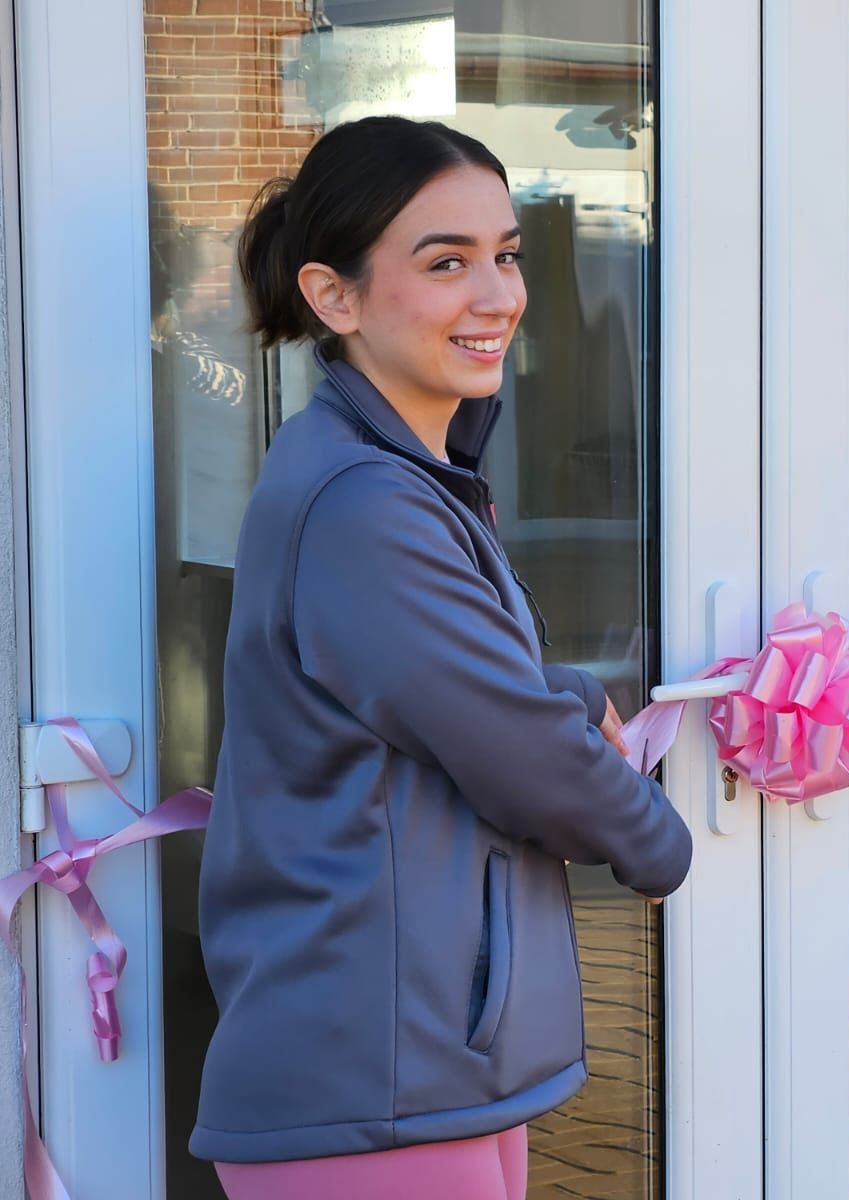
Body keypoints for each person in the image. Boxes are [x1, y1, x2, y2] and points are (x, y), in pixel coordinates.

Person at [187, 115, 693, 1200]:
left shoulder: (389, 470)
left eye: (505, 255)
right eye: (446, 262)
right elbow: (517, 753)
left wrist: (553, 690)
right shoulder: (368, 500)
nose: (498, 295)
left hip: (411, 1071)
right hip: (375, 1082)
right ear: (334, 296)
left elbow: (421, 690)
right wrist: (656, 841)